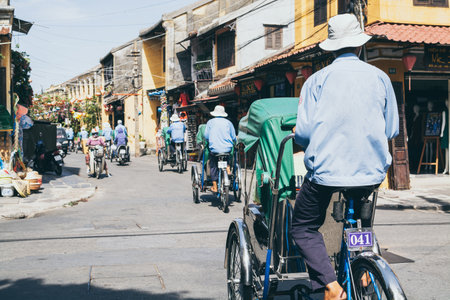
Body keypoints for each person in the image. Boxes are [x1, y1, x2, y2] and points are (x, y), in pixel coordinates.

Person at [291, 14, 399, 300]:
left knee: (302, 226)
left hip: (326, 174)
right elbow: (392, 129)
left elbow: (302, 135)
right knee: (360, 219)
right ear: (360, 46)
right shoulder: (381, 77)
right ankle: (363, 265)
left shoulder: (316, 81)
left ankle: (330, 285)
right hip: (371, 173)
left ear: (331, 47)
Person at [204, 105, 236, 193]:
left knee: (213, 165)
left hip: (214, 149)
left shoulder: (210, 122)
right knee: (227, 155)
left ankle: (214, 187)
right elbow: (233, 137)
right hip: (227, 148)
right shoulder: (228, 123)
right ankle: (228, 168)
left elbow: (206, 136)